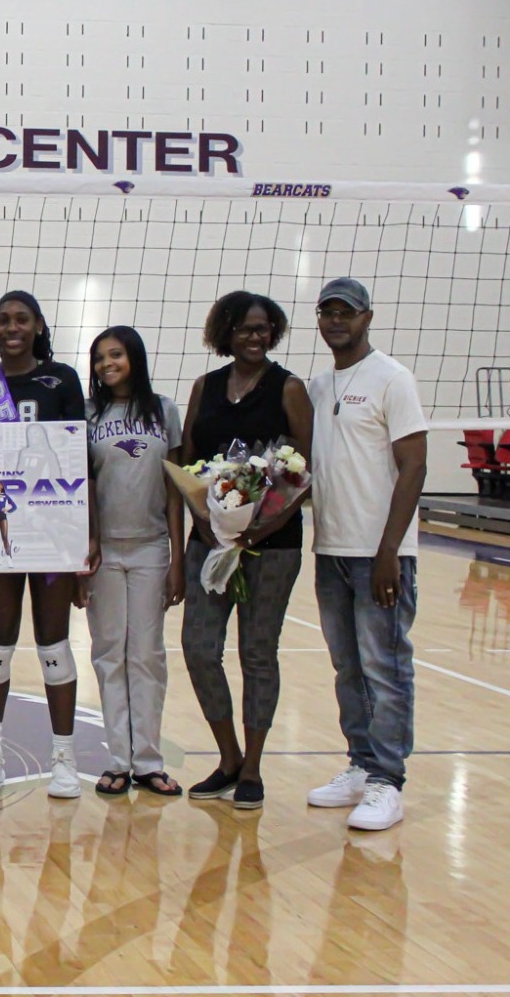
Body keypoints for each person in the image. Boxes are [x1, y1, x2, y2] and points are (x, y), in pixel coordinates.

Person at [0, 290, 92, 799]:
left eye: (21, 319)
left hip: (54, 531)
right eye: (3, 320)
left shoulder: (63, 380)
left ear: (37, 326)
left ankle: (64, 759)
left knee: (54, 642)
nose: (12, 327)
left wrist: (88, 532)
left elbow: (80, 460)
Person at [180, 291, 312, 809]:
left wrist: (259, 527)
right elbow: (188, 465)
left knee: (257, 653)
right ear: (226, 334)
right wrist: (204, 520)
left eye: (263, 329)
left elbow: (305, 470)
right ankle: (228, 756)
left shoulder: (289, 387)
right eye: (244, 329)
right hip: (210, 542)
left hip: (272, 546)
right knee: (198, 647)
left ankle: (253, 768)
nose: (255, 337)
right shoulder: (205, 387)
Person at [304, 277, 428, 832]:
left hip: (380, 554)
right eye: (328, 312)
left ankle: (387, 781)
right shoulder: (318, 385)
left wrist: (389, 551)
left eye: (347, 313)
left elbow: (415, 466)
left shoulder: (392, 379)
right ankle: (359, 764)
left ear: (367, 317)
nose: (337, 321)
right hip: (330, 548)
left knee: (386, 668)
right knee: (347, 668)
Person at [82, 325, 185, 796]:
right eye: (100, 357)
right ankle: (118, 760)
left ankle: (148, 760)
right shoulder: (88, 415)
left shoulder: (163, 410)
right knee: (109, 655)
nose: (107, 364)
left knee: (146, 655)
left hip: (150, 547)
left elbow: (175, 488)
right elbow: (79, 490)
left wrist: (177, 557)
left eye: (116, 354)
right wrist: (82, 556)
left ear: (135, 358)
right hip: (103, 552)